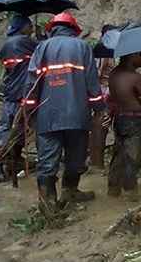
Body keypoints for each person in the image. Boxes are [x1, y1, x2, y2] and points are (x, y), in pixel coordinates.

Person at [24, 12, 105, 213]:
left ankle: (48, 202)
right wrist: (98, 108)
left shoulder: (41, 48)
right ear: (74, 30)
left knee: (47, 159)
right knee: (75, 157)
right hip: (77, 114)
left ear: (52, 29)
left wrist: (29, 109)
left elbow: (32, 82)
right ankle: (70, 190)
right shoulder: (82, 47)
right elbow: (92, 82)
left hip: (47, 115)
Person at [0, 15, 37, 183]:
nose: (31, 29)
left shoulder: (6, 44)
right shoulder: (23, 41)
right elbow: (43, 49)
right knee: (12, 129)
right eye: (29, 26)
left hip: (10, 92)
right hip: (19, 94)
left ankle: (11, 162)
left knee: (10, 129)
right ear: (22, 27)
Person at [107, 50, 141, 200]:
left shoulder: (113, 74)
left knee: (118, 153)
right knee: (132, 156)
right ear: (133, 56)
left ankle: (113, 189)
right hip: (133, 120)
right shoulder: (134, 77)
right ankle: (130, 191)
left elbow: (121, 96)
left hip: (119, 118)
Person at [88, 24, 116, 167]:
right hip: (104, 91)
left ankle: (96, 161)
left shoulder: (107, 49)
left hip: (108, 90)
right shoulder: (104, 50)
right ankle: (96, 162)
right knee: (101, 125)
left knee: (102, 125)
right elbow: (97, 73)